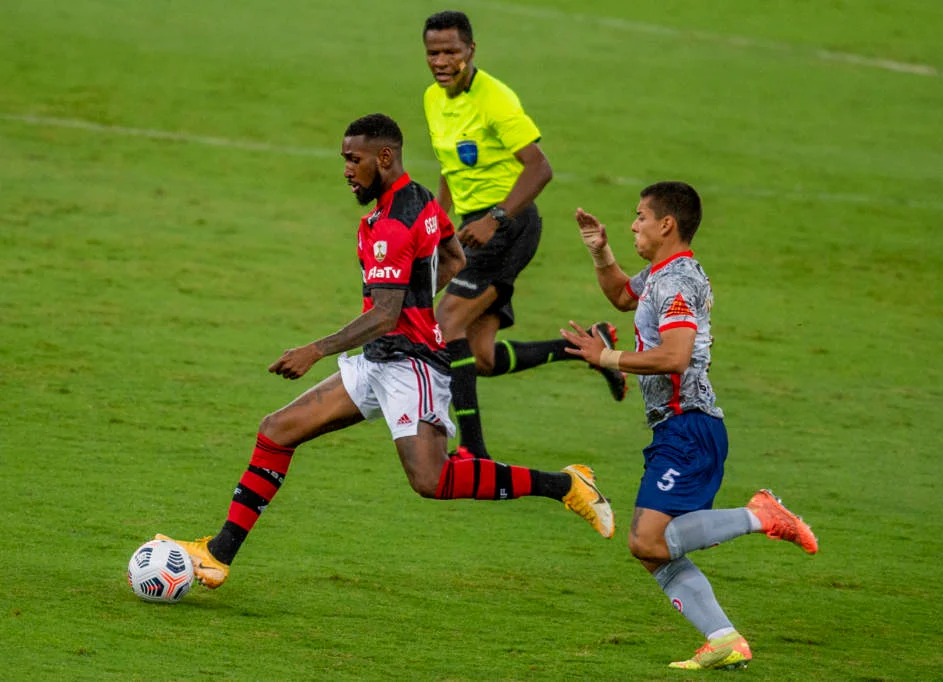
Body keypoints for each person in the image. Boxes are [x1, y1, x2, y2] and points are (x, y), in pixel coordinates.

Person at [157, 113, 614, 590]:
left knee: (430, 480)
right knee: (277, 430)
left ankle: (566, 485)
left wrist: (313, 350)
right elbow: (454, 256)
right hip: (380, 358)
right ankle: (217, 555)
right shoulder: (419, 200)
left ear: (384, 157)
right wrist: (419, 294)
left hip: (410, 365)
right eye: (344, 161)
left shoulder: (394, 224)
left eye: (354, 161)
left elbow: (383, 314)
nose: (347, 170)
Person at [560, 181, 818, 670]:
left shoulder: (676, 281)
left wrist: (609, 356)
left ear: (666, 224)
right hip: (676, 430)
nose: (632, 224)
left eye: (639, 216)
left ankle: (761, 516)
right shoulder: (660, 273)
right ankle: (724, 638)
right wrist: (601, 252)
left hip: (689, 428)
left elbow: (676, 357)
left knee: (646, 541)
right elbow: (619, 294)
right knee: (654, 550)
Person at [422, 10, 627, 461]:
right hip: (475, 227)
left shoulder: (495, 98)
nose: (441, 61)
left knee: (446, 324)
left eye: (450, 52)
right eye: (433, 52)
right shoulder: (433, 100)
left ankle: (472, 450)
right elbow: (448, 165)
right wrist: (439, 220)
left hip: (507, 225)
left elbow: (540, 167)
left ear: (470, 51)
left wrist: (494, 218)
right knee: (480, 358)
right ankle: (586, 346)